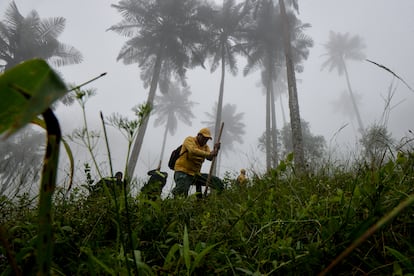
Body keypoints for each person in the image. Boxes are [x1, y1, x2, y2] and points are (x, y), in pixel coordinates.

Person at [172, 128, 222, 197]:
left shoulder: (205, 147)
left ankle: (210, 200)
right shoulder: (189, 140)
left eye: (207, 139)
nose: (205, 140)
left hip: (195, 174)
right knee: (181, 191)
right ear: (199, 135)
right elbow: (193, 150)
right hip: (183, 171)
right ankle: (175, 202)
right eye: (204, 138)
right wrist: (210, 154)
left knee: (217, 182)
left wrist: (216, 150)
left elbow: (210, 158)